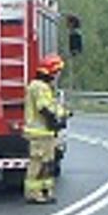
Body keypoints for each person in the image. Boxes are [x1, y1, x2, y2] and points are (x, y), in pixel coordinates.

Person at [23, 54, 72, 204]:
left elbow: (52, 106)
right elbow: (44, 108)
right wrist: (56, 121)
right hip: (40, 133)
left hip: (45, 134)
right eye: (56, 72)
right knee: (38, 163)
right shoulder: (39, 87)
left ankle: (44, 191)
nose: (57, 76)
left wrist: (64, 113)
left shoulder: (42, 87)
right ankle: (34, 193)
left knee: (47, 163)